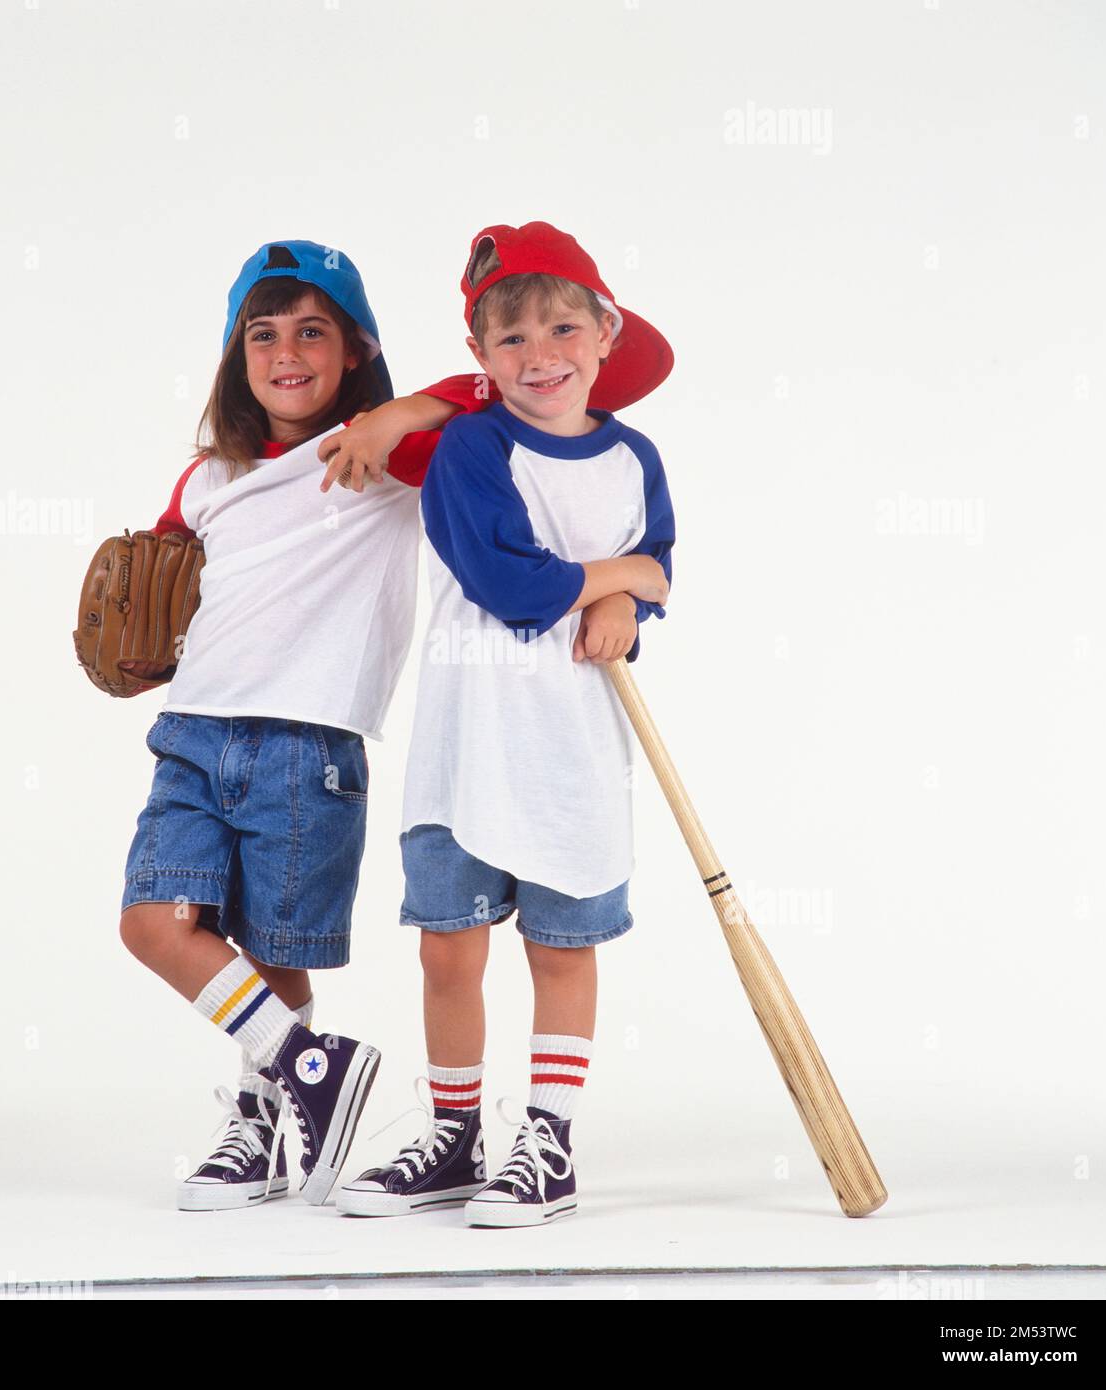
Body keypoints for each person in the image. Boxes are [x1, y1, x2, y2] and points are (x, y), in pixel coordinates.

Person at [118, 239, 480, 1211]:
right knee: (154, 924)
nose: (287, 353)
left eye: (313, 332)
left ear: (356, 348)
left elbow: (503, 395)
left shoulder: (385, 453)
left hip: (305, 739)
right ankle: (309, 1067)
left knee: (272, 950)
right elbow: (165, 569)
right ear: (239, 356)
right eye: (263, 334)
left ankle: (267, 1128)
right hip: (191, 733)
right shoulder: (208, 476)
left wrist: (402, 412)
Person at [336, 222, 675, 1226]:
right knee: (448, 946)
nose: (542, 356)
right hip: (465, 738)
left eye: (564, 327)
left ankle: (548, 1142)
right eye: (512, 340)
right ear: (481, 362)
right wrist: (628, 577)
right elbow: (509, 583)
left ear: (605, 334)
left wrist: (632, 604)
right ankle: (451, 1134)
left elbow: (658, 553)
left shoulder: (634, 456)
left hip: (574, 744)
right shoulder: (473, 448)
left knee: (563, 948)